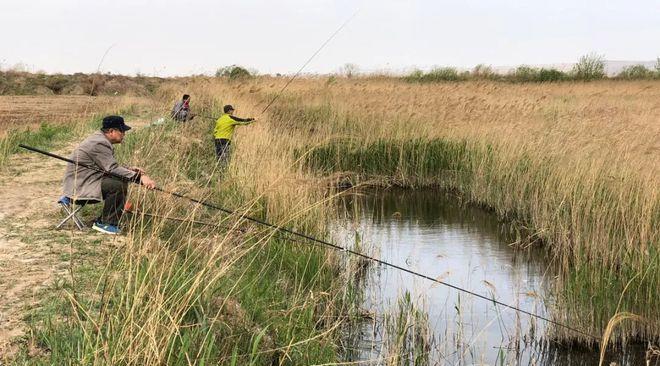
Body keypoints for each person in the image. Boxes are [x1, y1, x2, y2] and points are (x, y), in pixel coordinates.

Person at [62, 115, 157, 235]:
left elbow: (107, 165)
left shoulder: (100, 140)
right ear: (111, 131)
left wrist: (130, 170)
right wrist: (140, 177)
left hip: (86, 181)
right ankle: (106, 223)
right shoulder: (99, 143)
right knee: (117, 185)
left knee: (120, 180)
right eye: (122, 131)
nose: (124, 134)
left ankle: (107, 219)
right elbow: (112, 168)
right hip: (78, 188)